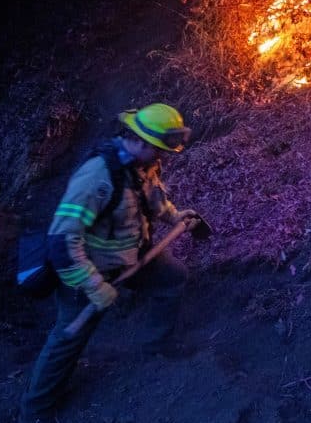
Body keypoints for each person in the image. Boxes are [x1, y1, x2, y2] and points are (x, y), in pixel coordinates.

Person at [20, 103, 198, 423]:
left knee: (172, 278)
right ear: (141, 142)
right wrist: (93, 285)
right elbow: (62, 242)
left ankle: (156, 344)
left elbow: (152, 196)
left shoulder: (144, 163)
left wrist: (173, 216)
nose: (164, 157)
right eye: (159, 149)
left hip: (130, 256)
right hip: (87, 270)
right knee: (69, 338)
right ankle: (36, 410)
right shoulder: (96, 178)